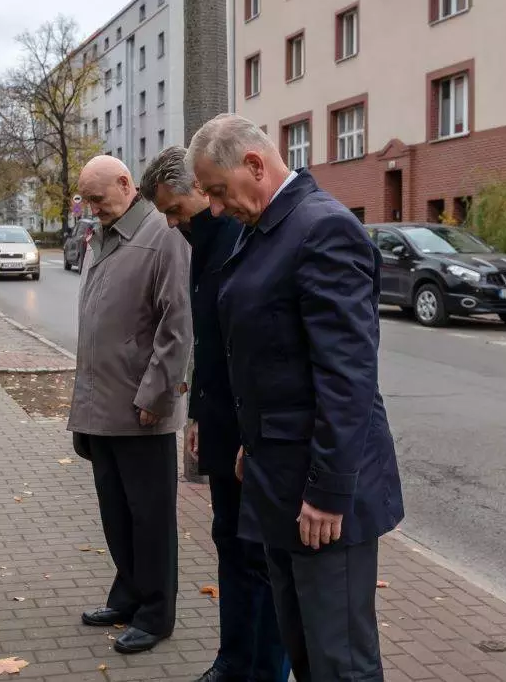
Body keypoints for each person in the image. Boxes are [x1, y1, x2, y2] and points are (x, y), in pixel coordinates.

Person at [187, 114, 404, 682]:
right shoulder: (268, 228)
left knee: (341, 663)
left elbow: (347, 374)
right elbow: (270, 358)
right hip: (278, 477)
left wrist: (329, 493)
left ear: (254, 165)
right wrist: (250, 446)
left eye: (216, 190)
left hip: (324, 495)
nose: (213, 207)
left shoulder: (322, 228)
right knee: (304, 650)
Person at [141, 146, 289, 682]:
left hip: (257, 431)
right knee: (229, 542)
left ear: (203, 193)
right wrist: (200, 417)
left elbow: (255, 348)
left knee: (260, 557)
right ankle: (232, 661)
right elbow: (210, 341)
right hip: (224, 423)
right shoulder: (201, 244)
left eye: (176, 211)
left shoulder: (236, 237)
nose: (174, 224)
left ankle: (262, 670)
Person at [68, 155, 192, 655]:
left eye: (97, 199)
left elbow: (177, 326)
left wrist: (157, 397)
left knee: (150, 518)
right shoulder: (105, 235)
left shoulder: (163, 236)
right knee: (117, 515)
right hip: (102, 406)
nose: (91, 208)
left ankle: (156, 613)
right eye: (87, 200)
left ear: (125, 184)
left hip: (142, 410)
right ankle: (128, 595)